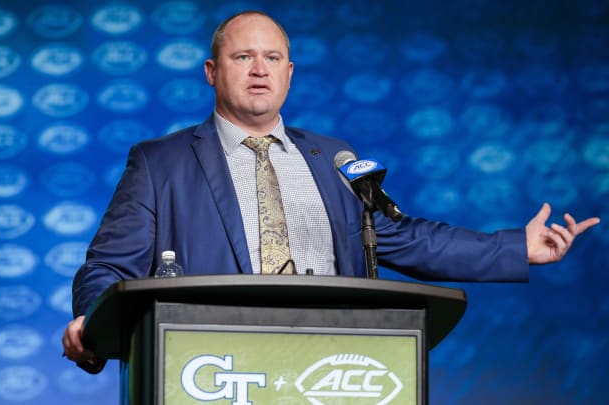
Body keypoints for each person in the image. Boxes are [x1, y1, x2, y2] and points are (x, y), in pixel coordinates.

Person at [62, 11, 600, 370]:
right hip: (215, 365)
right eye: (242, 57)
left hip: (329, 362)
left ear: (289, 74)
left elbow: (402, 237)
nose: (258, 71)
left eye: (272, 58)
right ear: (211, 71)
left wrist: (514, 248)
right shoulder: (162, 162)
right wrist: (91, 320)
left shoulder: (333, 157)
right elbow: (108, 265)